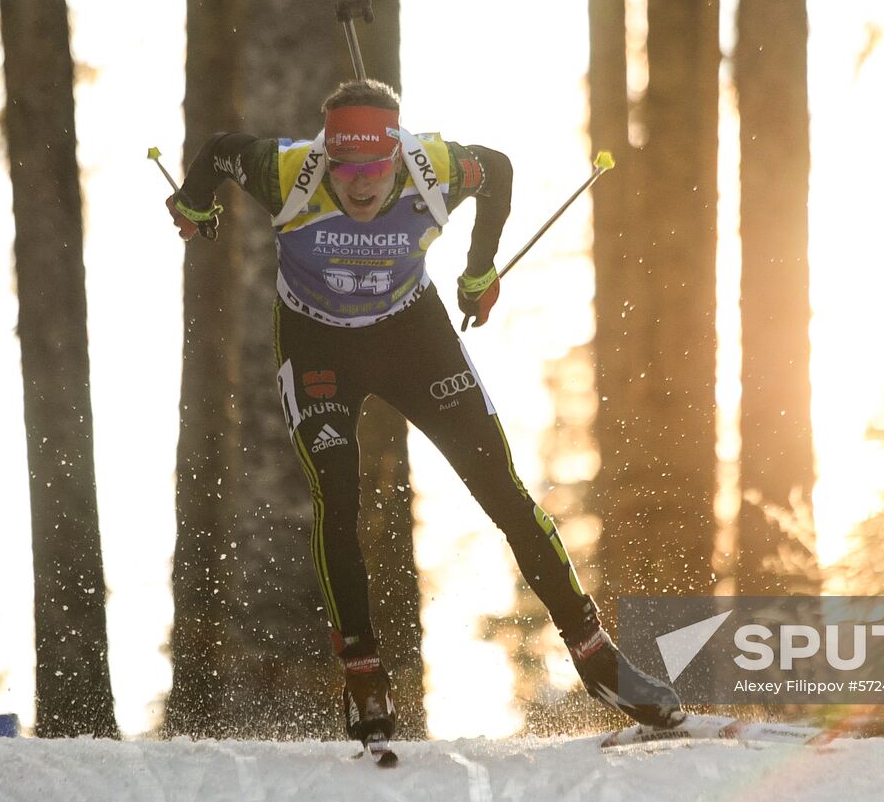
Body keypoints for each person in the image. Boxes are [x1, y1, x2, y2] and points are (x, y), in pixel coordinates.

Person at [165, 79, 682, 744]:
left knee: (503, 489)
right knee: (338, 495)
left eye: (374, 169)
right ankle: (364, 675)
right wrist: (193, 203)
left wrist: (480, 268)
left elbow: (498, 169)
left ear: (396, 158)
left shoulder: (436, 166)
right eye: (345, 168)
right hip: (317, 341)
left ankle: (597, 657)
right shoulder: (287, 168)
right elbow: (216, 151)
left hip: (412, 337)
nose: (359, 185)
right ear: (326, 157)